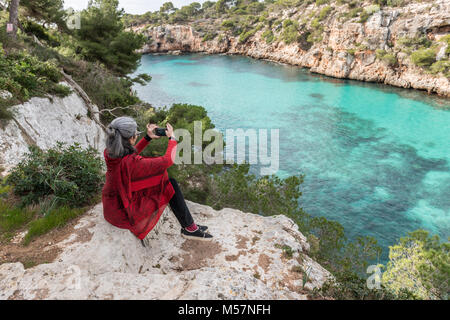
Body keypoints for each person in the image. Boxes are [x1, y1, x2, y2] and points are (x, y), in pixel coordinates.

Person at [101, 116, 213, 247]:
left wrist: (148, 138)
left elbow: (130, 154)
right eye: (137, 133)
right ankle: (189, 228)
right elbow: (167, 161)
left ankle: (189, 226)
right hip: (123, 211)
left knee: (168, 181)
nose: (137, 135)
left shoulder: (109, 153)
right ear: (131, 138)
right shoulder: (132, 163)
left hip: (112, 204)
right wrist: (172, 138)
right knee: (169, 183)